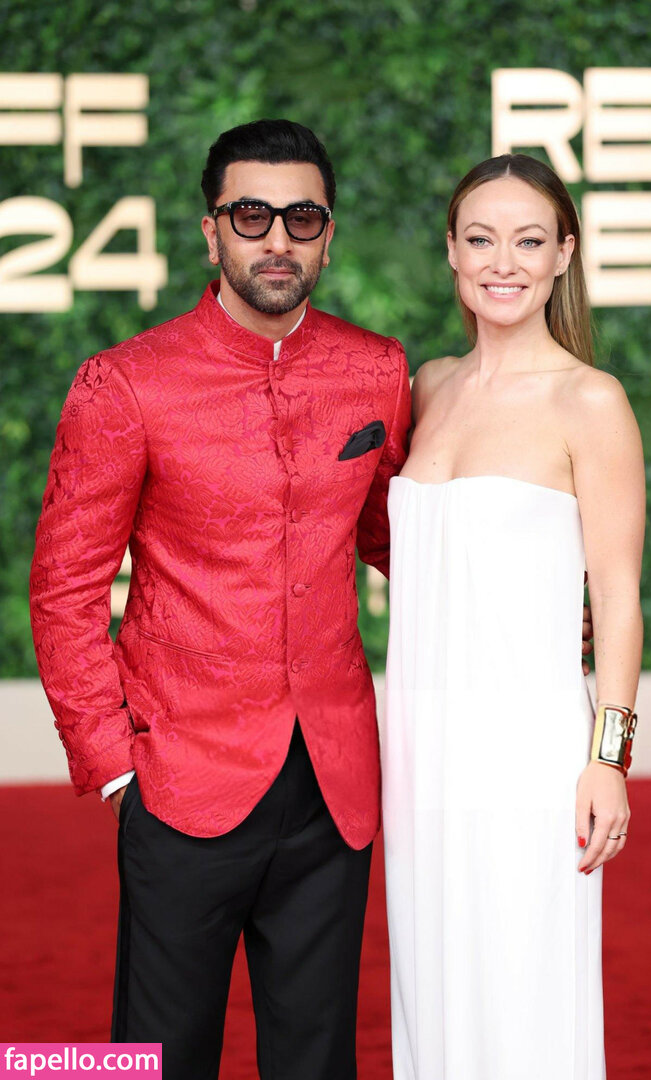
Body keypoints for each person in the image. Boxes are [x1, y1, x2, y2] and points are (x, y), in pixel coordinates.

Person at [29, 119, 412, 1080]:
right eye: (251, 215)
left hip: (333, 782)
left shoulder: (376, 371)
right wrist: (114, 767)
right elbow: (65, 588)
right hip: (177, 776)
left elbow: (395, 541)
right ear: (212, 233)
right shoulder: (125, 384)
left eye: (301, 217)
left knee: (316, 1059)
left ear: (328, 235)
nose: (277, 239)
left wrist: (532, 605)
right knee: (162, 1056)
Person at [382, 154, 644, 1080]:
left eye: (529, 241)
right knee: (433, 985)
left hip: (529, 751)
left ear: (564, 254)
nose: (504, 262)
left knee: (523, 991)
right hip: (418, 748)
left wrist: (609, 760)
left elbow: (617, 599)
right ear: (452, 251)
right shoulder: (429, 386)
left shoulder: (589, 400)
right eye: (481, 239)